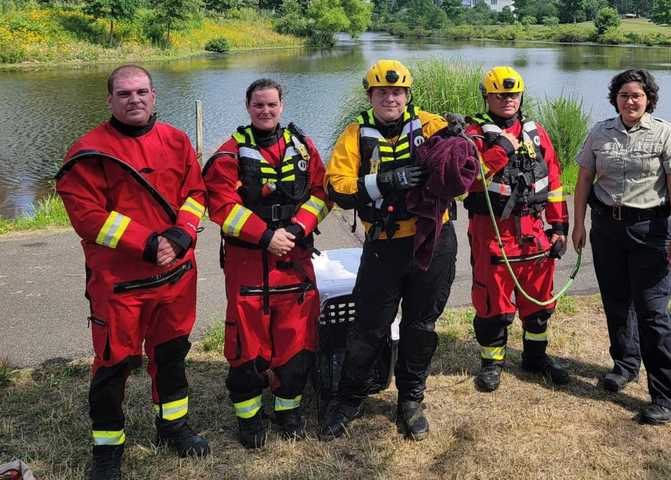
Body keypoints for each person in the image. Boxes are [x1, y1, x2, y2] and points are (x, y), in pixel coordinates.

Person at [55, 64, 210, 480]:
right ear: (109, 100)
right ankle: (108, 449)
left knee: (172, 353)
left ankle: (173, 426)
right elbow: (87, 215)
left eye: (142, 91)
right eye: (124, 94)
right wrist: (146, 242)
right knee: (113, 365)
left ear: (154, 95)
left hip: (175, 277)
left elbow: (196, 193)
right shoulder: (89, 150)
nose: (134, 99)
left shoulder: (177, 141)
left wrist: (180, 234)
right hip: (119, 286)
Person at [321, 59, 457, 441]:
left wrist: (463, 136)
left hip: (432, 241)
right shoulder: (354, 134)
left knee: (421, 325)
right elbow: (340, 188)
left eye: (397, 92)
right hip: (384, 244)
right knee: (369, 327)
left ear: (407, 95)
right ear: (370, 96)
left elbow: (464, 161)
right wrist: (384, 181)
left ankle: (411, 399)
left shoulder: (431, 125)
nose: (390, 98)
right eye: (382, 92)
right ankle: (349, 398)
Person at [202, 79, 330, 449]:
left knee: (296, 341)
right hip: (249, 263)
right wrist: (265, 235)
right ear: (247, 106)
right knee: (246, 345)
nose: (266, 111)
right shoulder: (230, 153)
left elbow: (323, 192)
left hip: (295, 257)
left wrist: (298, 226)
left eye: (272, 104)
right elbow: (221, 206)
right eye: (259, 105)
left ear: (282, 105)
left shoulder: (302, 146)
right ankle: (249, 419)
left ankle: (288, 410)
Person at [572, 69, 671, 425]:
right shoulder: (599, 132)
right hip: (607, 229)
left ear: (648, 98)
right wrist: (579, 223)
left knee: (653, 313)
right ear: (616, 99)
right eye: (624, 95)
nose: (630, 101)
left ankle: (667, 396)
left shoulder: (665, 133)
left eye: (637, 95)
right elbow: (583, 180)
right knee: (617, 303)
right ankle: (625, 365)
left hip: (650, 231)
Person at [463, 66, 570, 393]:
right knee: (492, 302)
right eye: (500, 94)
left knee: (539, 301)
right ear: (487, 96)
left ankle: (535, 358)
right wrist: (503, 149)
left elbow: (552, 179)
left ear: (521, 95)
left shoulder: (536, 132)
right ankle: (492, 363)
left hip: (534, 230)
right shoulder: (473, 134)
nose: (507, 99)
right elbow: (469, 177)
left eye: (513, 94)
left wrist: (559, 226)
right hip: (493, 231)